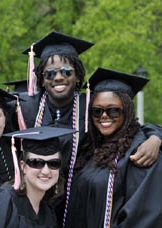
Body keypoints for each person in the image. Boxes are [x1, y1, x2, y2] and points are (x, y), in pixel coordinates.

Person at [64, 68, 162, 228]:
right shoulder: (90, 150)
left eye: (113, 110)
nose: (104, 116)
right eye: (97, 111)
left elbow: (144, 217)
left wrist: (156, 137)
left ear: (128, 111)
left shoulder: (141, 152)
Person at [0, 126, 75, 228]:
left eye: (53, 163)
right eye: (36, 163)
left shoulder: (47, 212)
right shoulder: (3, 200)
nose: (45, 170)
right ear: (23, 166)